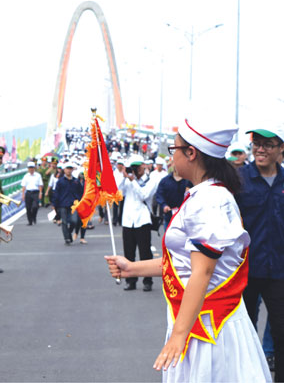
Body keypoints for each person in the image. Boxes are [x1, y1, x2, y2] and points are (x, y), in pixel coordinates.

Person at [105, 117, 271, 382]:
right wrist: (131, 268)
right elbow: (181, 263)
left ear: (191, 153)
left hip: (207, 328)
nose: (172, 158)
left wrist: (179, 335)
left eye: (175, 150)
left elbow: (202, 273)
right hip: (200, 319)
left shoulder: (209, 201)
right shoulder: (205, 195)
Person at [236, 123, 284, 381]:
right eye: (256, 143)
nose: (260, 149)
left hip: (279, 270)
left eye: (267, 144)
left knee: (281, 332)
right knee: (242, 330)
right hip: (245, 269)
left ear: (281, 149)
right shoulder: (239, 180)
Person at [117, 155, 158, 291]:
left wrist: (133, 180)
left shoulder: (151, 180)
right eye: (133, 167)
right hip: (128, 220)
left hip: (143, 220)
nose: (136, 169)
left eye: (137, 166)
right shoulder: (127, 181)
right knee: (129, 253)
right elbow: (117, 191)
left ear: (144, 166)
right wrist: (123, 176)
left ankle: (148, 281)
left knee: (145, 253)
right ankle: (130, 281)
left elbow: (144, 195)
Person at [52, 161, 85, 245]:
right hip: (62, 204)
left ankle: (69, 233)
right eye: (67, 169)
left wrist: (81, 202)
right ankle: (67, 238)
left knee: (74, 221)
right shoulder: (60, 181)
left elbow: (81, 193)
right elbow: (56, 193)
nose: (69, 170)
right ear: (64, 170)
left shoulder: (76, 181)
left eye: (70, 169)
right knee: (64, 222)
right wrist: (54, 205)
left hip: (73, 205)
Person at [155, 160, 192, 230]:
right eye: (175, 163)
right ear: (172, 164)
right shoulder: (165, 181)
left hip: (185, 219)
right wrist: (164, 205)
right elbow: (159, 195)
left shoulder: (189, 181)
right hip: (169, 217)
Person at [21, 161, 43, 225]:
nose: (31, 169)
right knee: (28, 208)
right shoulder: (26, 176)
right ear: (28, 169)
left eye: (32, 168)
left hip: (35, 192)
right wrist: (23, 194)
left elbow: (40, 185)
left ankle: (34, 217)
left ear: (34, 168)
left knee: (35, 206)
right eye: (30, 168)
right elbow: (23, 186)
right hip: (28, 193)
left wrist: (40, 193)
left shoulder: (38, 175)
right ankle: (30, 221)